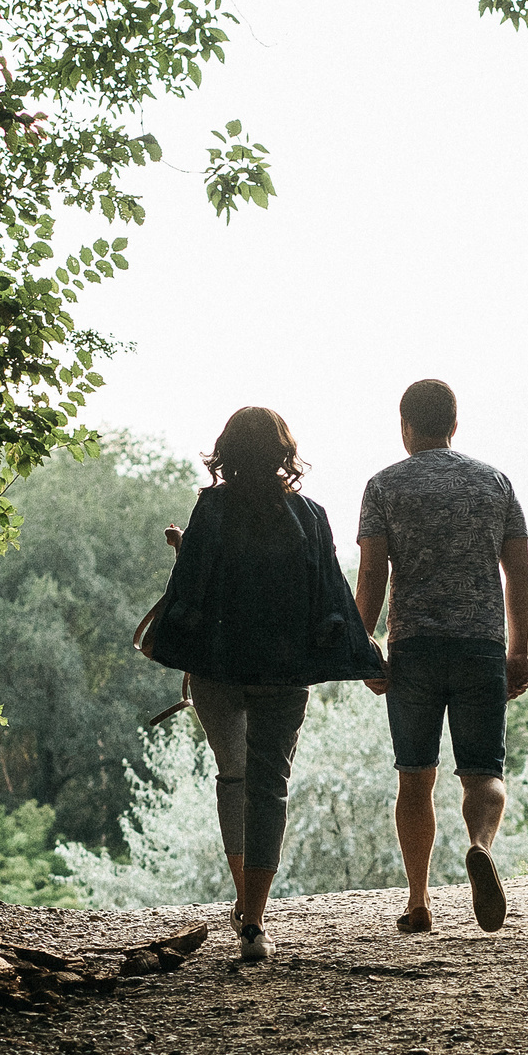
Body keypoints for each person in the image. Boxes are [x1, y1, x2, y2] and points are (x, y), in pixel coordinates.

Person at [141, 407, 386, 961]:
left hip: (218, 666)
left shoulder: (212, 509)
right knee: (269, 784)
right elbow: (331, 593)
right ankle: (253, 919)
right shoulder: (311, 515)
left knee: (234, 775)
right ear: (283, 453)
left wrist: (185, 549)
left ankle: (242, 899)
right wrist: (367, 656)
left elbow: (193, 587)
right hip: (284, 670)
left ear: (226, 452)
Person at [355, 378, 528, 934]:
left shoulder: (383, 486)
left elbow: (372, 575)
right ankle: (480, 846)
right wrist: (519, 649)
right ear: (454, 424)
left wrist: (362, 646)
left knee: (415, 778)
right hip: (481, 647)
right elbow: (518, 571)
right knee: (483, 773)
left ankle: (419, 901)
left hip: (414, 650)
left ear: (405, 426)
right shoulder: (495, 483)